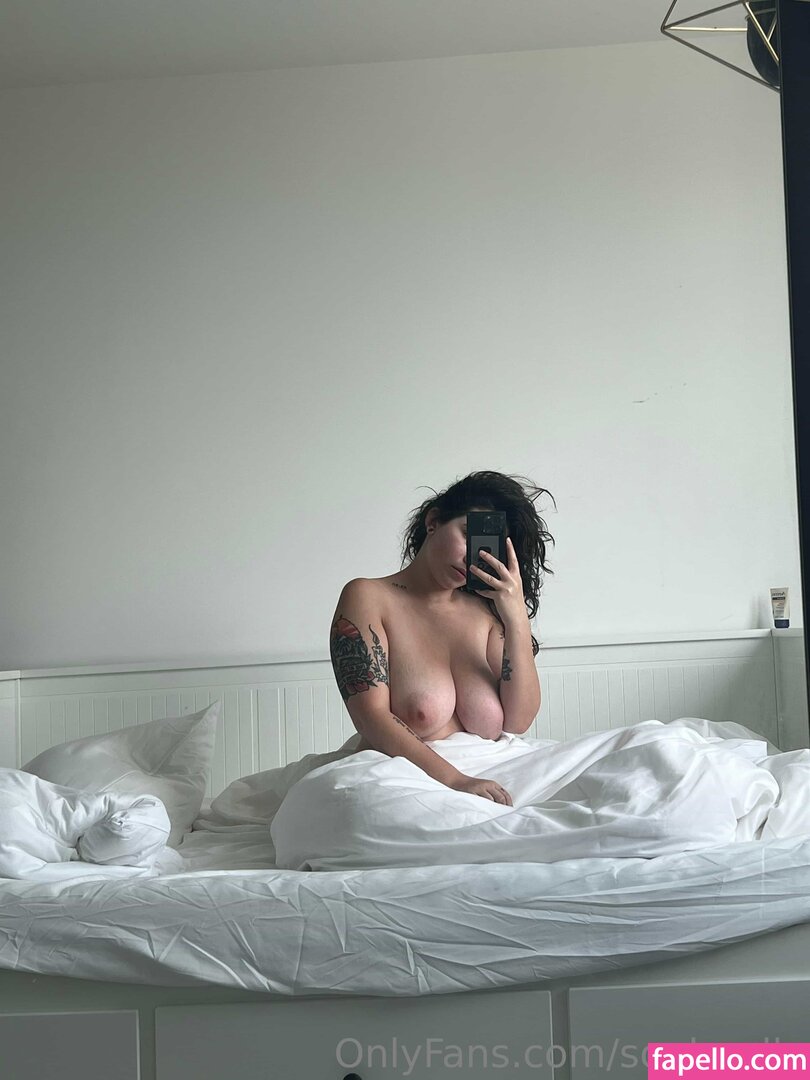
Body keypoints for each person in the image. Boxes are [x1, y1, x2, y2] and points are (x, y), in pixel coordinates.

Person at [328, 470, 555, 805]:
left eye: (485, 547)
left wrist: (516, 615)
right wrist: (455, 781)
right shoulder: (368, 597)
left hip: (494, 778)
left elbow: (519, 720)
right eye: (466, 535)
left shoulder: (485, 613)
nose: (472, 556)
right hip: (402, 781)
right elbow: (370, 717)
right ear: (433, 522)